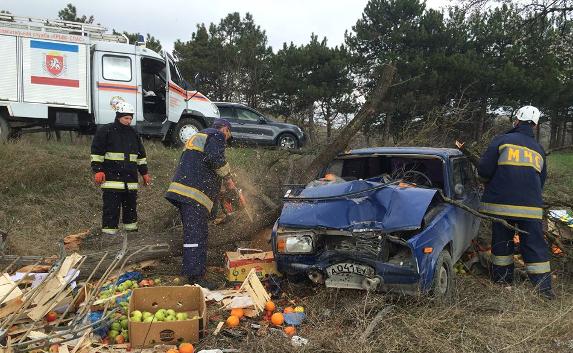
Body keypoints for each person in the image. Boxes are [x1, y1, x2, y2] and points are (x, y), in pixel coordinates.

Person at [478, 105, 554, 299]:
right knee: (534, 245)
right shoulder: (538, 150)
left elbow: (484, 171)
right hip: (531, 208)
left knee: (502, 243)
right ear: (535, 126)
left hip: (501, 206)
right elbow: (541, 181)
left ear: (517, 120)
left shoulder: (502, 141)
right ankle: (544, 290)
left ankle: (503, 282)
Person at [165, 118, 235, 289]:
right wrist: (228, 179)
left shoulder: (200, 135)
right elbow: (215, 159)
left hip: (184, 192)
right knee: (196, 235)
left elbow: (203, 166)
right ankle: (194, 277)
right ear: (225, 129)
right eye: (228, 135)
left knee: (194, 233)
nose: (226, 139)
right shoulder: (217, 135)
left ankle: (194, 272)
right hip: (192, 195)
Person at [90, 101, 151, 235]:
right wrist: (98, 170)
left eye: (130, 118)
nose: (129, 121)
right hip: (112, 181)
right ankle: (108, 239)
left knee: (131, 211)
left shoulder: (134, 134)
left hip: (130, 182)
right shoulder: (106, 131)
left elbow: (140, 156)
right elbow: (97, 153)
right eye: (126, 118)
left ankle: (132, 237)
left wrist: (144, 173)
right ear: (118, 116)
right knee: (111, 211)